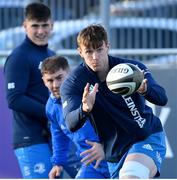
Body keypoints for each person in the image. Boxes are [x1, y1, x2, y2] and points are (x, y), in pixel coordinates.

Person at [60, 24, 168, 179]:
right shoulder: (74, 83)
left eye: (99, 49)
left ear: (107, 47)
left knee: (131, 175)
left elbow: (162, 98)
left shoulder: (132, 69)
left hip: (146, 137)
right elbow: (70, 123)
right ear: (80, 52)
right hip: (114, 153)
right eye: (89, 51)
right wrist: (84, 109)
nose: (95, 57)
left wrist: (145, 90)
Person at [4, 3, 79, 178]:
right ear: (25, 26)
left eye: (44, 25)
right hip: (30, 138)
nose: (40, 31)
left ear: (52, 25)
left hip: (56, 136)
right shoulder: (19, 57)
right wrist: (52, 113)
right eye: (35, 26)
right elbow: (14, 99)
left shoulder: (51, 55)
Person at [41, 55, 110, 179]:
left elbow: (119, 123)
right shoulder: (51, 107)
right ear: (43, 81)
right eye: (50, 80)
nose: (55, 85)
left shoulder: (88, 95)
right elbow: (58, 134)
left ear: (69, 74)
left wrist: (105, 147)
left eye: (59, 78)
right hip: (91, 166)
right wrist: (58, 163)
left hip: (115, 158)